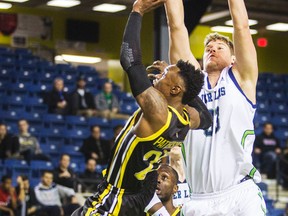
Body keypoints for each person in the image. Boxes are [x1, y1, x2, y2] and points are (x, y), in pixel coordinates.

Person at [72, 0, 210, 215]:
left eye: (164, 76)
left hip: (116, 197)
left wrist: (137, 11)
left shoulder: (157, 111)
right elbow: (206, 117)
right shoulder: (187, 120)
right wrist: (184, 89)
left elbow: (130, 61)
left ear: (175, 90)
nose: (158, 75)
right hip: (141, 196)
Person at [164, 0, 267, 214]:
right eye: (208, 48)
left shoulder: (241, 78)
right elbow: (176, 28)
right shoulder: (190, 85)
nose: (212, 50)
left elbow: (241, 26)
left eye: (220, 48)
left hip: (239, 193)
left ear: (233, 59)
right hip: (198, 199)